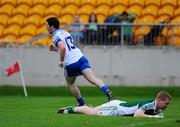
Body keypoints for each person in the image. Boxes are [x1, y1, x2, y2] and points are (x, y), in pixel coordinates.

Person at [46, 17, 114, 106]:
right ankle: (107, 91)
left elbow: (63, 48)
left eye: (46, 25)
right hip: (80, 58)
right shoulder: (66, 32)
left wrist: (61, 61)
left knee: (71, 84)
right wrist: (55, 49)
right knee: (93, 79)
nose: (45, 27)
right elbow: (68, 47)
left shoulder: (55, 36)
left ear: (52, 26)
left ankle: (81, 104)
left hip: (71, 63)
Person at [58, 91, 171, 118]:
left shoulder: (155, 106)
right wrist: (153, 117)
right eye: (166, 103)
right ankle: (70, 109)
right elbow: (137, 114)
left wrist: (157, 113)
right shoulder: (150, 103)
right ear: (159, 100)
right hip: (116, 108)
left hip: (118, 106)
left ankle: (69, 109)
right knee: (91, 113)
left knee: (92, 110)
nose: (167, 105)